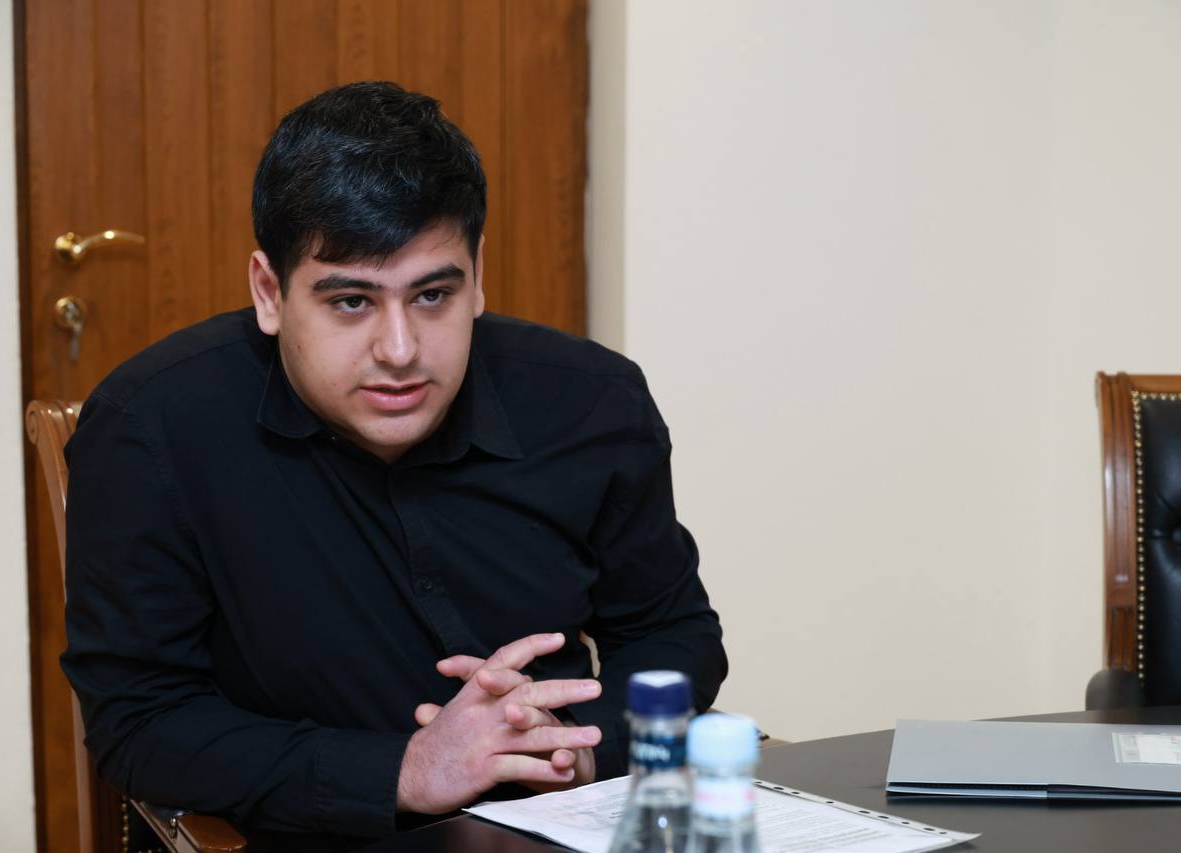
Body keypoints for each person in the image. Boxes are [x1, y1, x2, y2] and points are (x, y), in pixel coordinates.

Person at [62, 81, 726, 844]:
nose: (400, 350)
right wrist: (403, 769)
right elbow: (140, 720)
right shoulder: (153, 426)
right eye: (351, 301)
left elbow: (674, 637)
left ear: (477, 275)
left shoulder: (592, 400)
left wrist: (579, 747)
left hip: (553, 822)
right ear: (270, 292)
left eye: (432, 295)